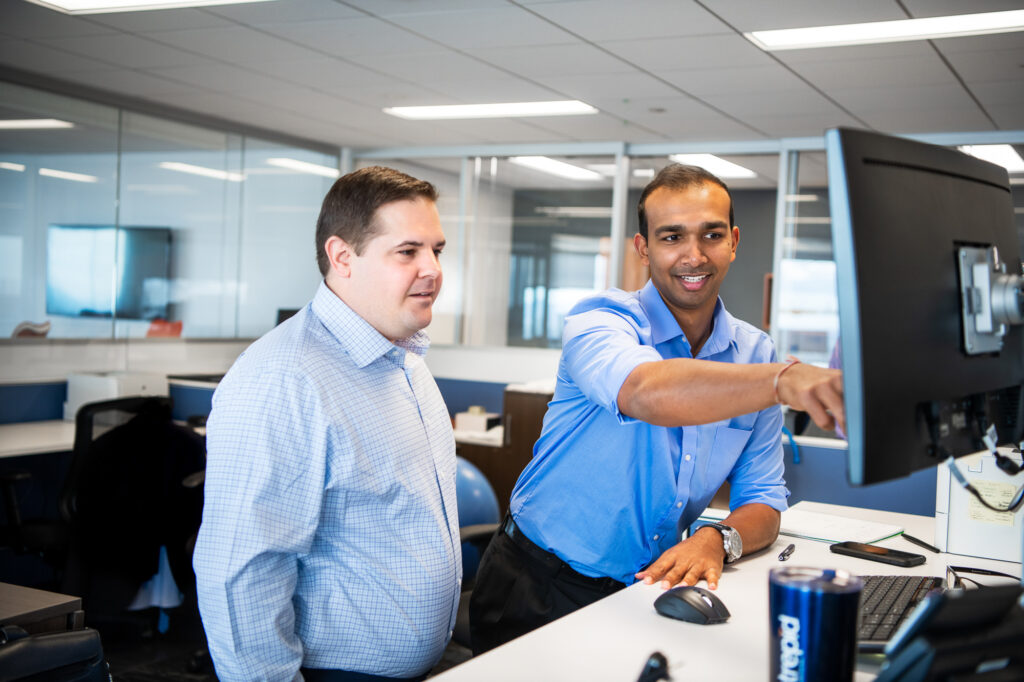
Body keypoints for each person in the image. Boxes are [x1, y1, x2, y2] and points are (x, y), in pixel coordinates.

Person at [469, 164, 845, 654]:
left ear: (733, 241)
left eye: (711, 235)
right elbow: (647, 392)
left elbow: (764, 500)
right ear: (643, 248)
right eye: (672, 236)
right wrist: (783, 381)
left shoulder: (755, 354)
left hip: (643, 590)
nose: (694, 255)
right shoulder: (600, 322)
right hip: (537, 582)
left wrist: (717, 538)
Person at [193, 166, 460, 681]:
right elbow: (240, 571)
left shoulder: (403, 361)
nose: (432, 269)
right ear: (342, 257)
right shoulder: (284, 379)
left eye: (437, 250)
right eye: (408, 251)